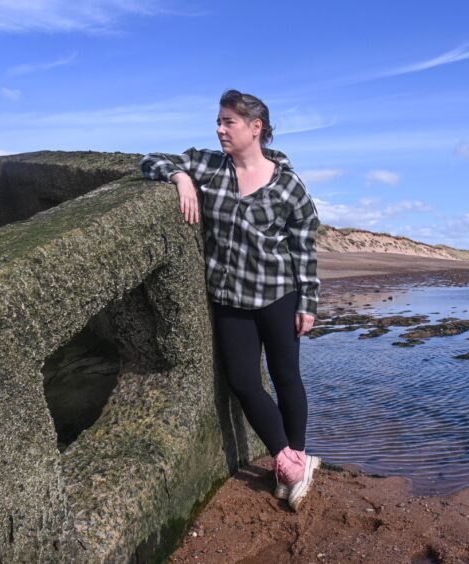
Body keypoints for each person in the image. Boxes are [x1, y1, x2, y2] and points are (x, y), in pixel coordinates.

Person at [139, 89, 321, 511]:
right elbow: (148, 160)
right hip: (229, 298)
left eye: (228, 122)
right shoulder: (208, 166)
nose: (219, 129)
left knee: (286, 377)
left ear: (256, 128)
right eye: (218, 122)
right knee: (242, 381)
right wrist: (180, 177)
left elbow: (304, 248)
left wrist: (307, 303)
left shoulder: (287, 185)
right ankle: (292, 462)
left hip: (278, 293)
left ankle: (292, 459)